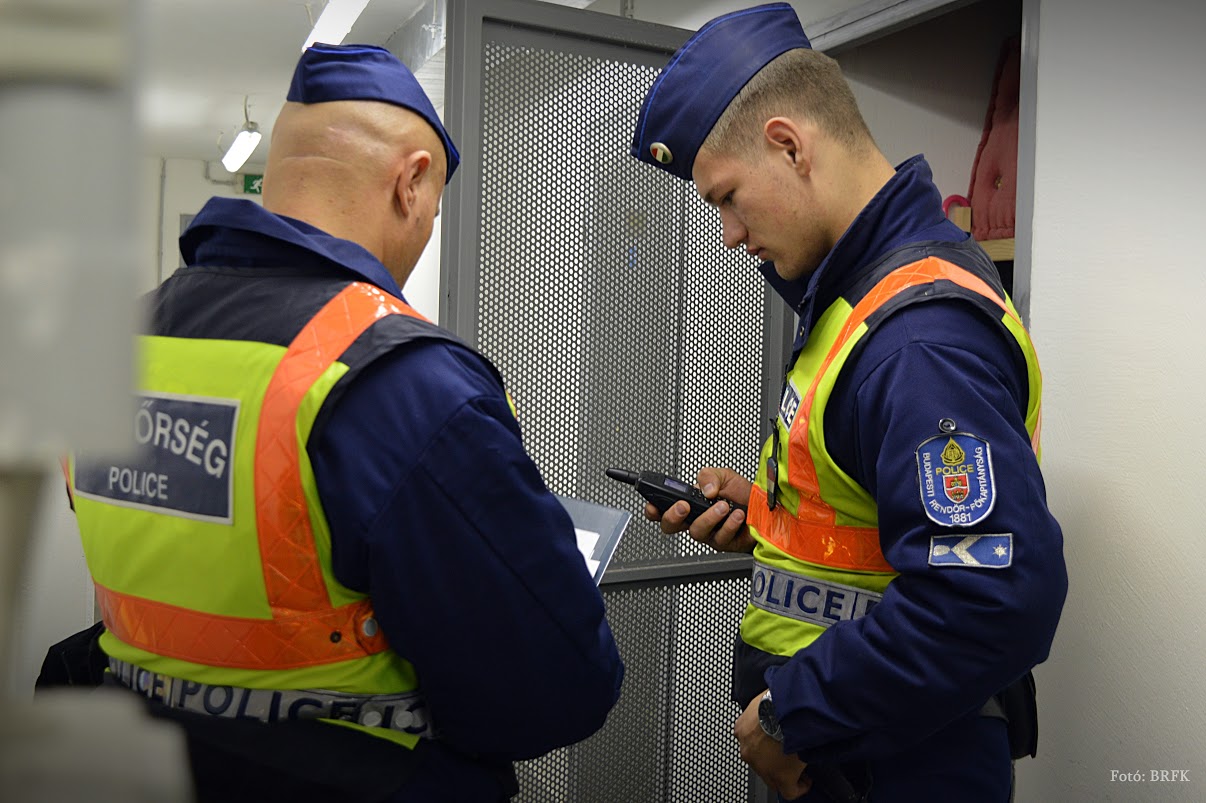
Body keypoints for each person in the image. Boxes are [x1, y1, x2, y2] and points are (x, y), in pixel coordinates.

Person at [66, 43, 623, 802]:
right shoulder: (406, 382)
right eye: (434, 208)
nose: (425, 228)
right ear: (411, 181)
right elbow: (553, 688)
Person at [629, 4, 1067, 801]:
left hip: (905, 761)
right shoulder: (855, 300)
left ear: (790, 146)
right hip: (856, 746)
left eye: (728, 197)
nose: (728, 233)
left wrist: (794, 713)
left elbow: (990, 598)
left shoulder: (919, 340)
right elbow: (877, 520)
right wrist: (762, 515)